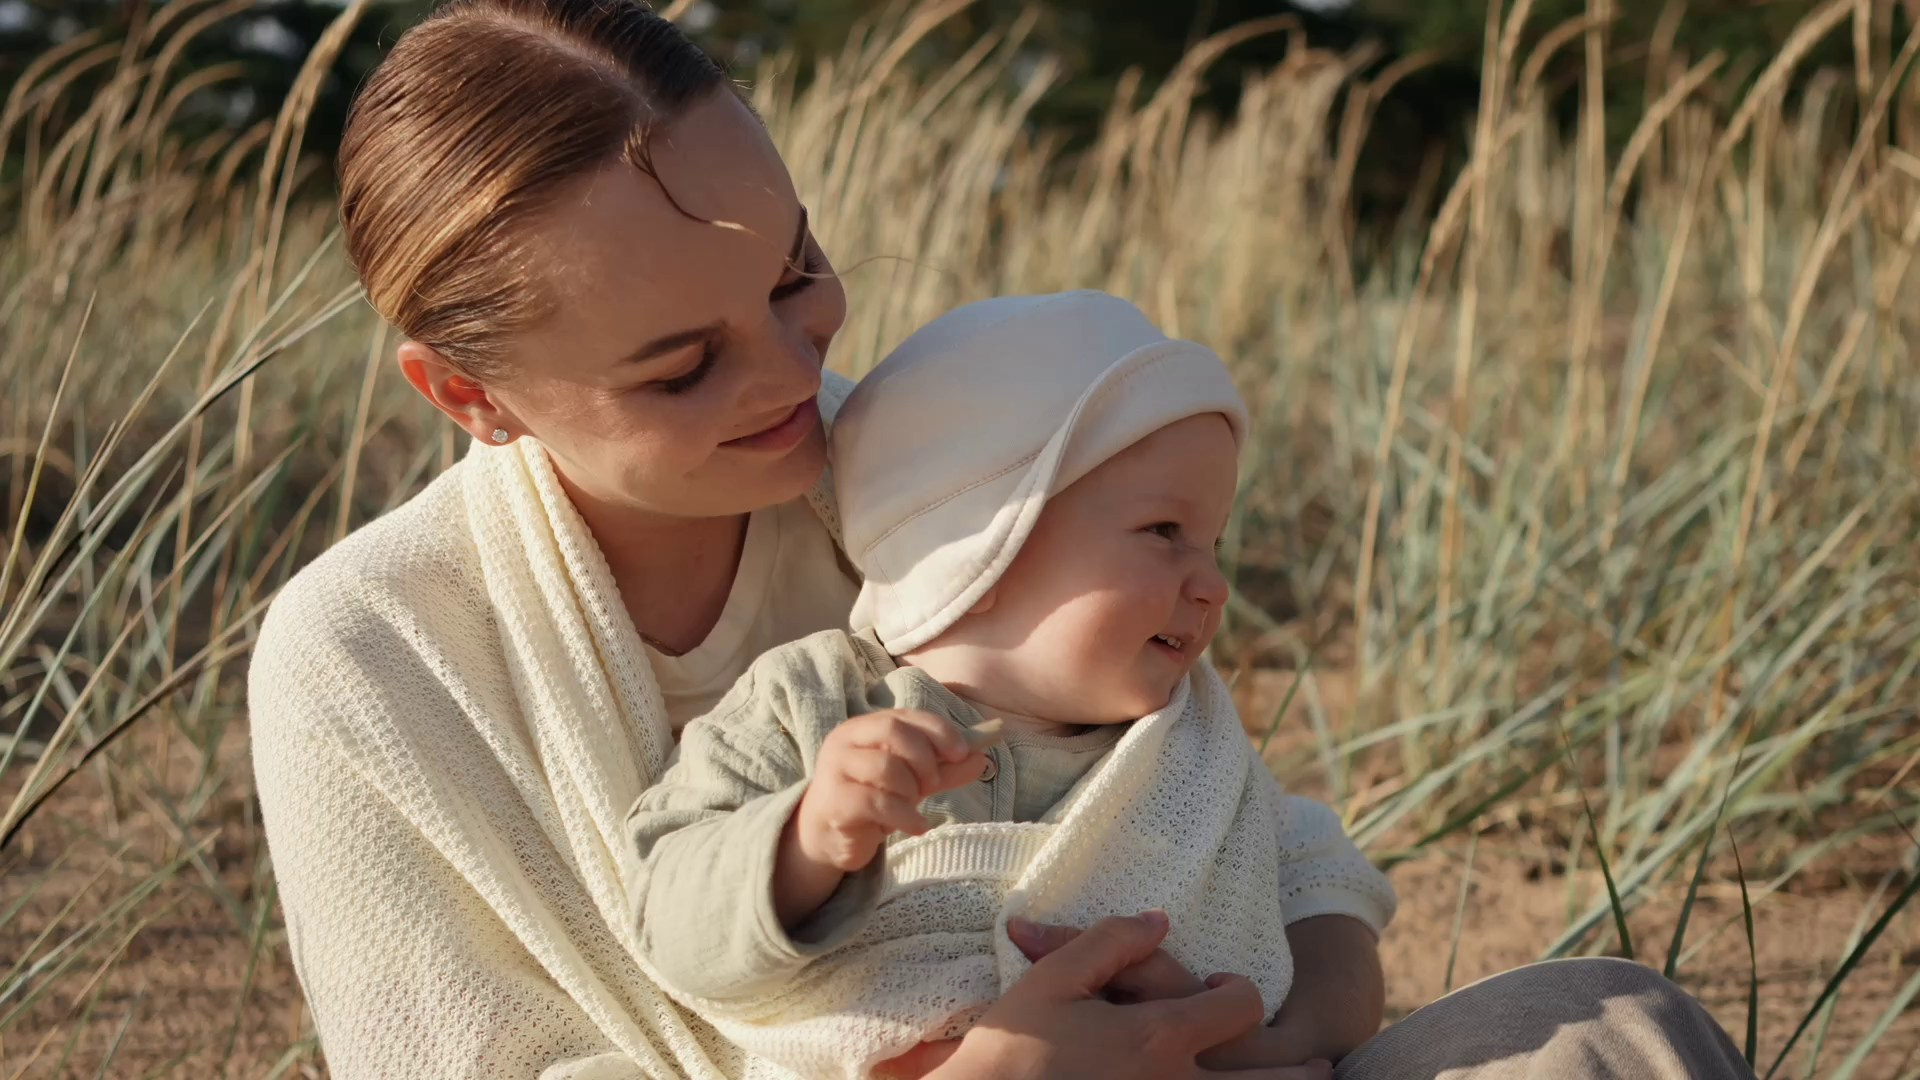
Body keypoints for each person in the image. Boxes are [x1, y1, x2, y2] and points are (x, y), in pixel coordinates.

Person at [246, 1, 1757, 1077]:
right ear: (470, 395)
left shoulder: (938, 471)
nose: (790, 379)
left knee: (1614, 1028)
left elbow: (1228, 807)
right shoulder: (367, 657)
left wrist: (1292, 1014)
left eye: (796, 274)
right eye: (681, 367)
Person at [626, 291, 1398, 1077]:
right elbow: (665, 923)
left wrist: (1296, 1040)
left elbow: (1325, 887)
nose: (1213, 586)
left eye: (1215, 543)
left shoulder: (1190, 742)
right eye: (1166, 532)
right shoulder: (812, 702)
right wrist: (809, 837)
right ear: (980, 554)